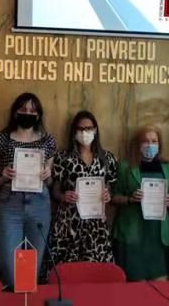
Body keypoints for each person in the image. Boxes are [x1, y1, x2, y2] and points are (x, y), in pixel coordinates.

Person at [0, 93, 55, 288]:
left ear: (39, 114)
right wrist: (4, 175)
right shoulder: (1, 139)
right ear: (15, 112)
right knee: (10, 266)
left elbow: (50, 181)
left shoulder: (48, 141)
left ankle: (28, 299)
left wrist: (47, 174)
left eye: (32, 110)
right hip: (10, 204)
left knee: (33, 265)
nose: (28, 113)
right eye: (23, 109)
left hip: (39, 204)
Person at [49, 111, 117, 267]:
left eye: (88, 128)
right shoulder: (63, 157)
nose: (84, 132)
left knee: (96, 271)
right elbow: (55, 190)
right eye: (80, 129)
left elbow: (110, 188)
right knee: (66, 270)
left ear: (95, 130)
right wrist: (63, 196)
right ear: (74, 131)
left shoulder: (107, 158)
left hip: (96, 224)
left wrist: (108, 195)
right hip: (68, 223)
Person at [112, 125, 169, 281]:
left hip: (157, 236)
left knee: (160, 284)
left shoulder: (167, 168)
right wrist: (130, 199)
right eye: (145, 141)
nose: (150, 145)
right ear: (138, 144)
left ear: (159, 145)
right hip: (133, 234)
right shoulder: (125, 167)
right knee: (136, 287)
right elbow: (113, 197)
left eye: (154, 141)